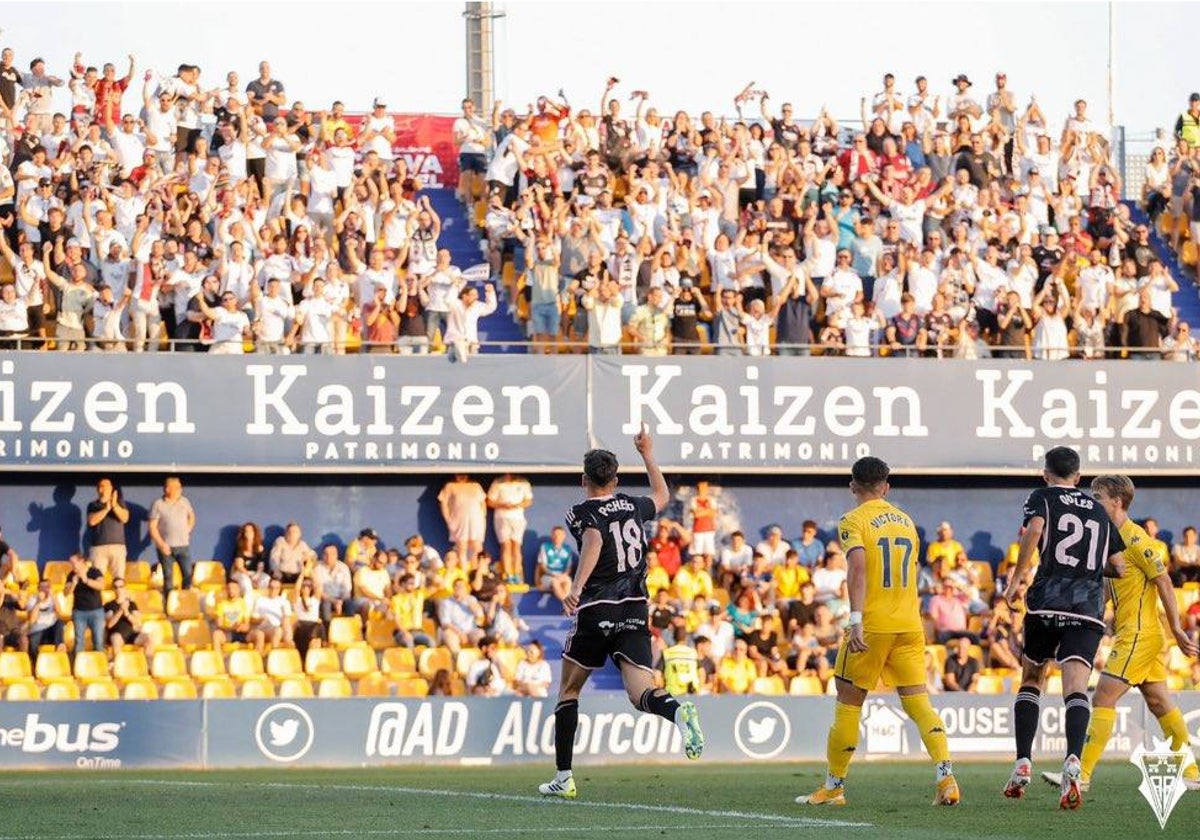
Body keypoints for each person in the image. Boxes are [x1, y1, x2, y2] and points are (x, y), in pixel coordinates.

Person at [539, 428, 704, 800]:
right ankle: (677, 713)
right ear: (615, 479)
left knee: (568, 690)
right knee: (640, 693)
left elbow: (595, 541)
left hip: (598, 608)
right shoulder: (631, 504)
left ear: (584, 480)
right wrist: (647, 453)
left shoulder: (580, 511)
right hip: (634, 608)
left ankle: (564, 777)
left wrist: (577, 588)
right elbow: (662, 496)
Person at [797, 456, 959, 808]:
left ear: (853, 485)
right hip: (908, 625)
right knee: (919, 703)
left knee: (848, 702)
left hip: (871, 626)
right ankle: (945, 776)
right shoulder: (907, 523)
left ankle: (834, 787)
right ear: (886, 486)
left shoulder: (853, 521)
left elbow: (857, 569)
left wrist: (855, 618)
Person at [1040, 475, 1200, 793]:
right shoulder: (1109, 538)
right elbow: (1113, 589)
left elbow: (1164, 582)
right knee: (1158, 702)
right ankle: (1193, 772)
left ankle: (1081, 775)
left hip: (1140, 634)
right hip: (1136, 633)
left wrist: (1178, 627)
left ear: (1117, 501)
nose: (1092, 501)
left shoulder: (1137, 539)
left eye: (1098, 497)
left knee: (1102, 697)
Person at [1001, 447, 1127, 808]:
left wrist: (1015, 581)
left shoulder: (1042, 496)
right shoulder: (1099, 512)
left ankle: (1023, 760)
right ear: (1079, 476)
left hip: (1046, 601)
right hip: (1087, 608)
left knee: (1032, 678)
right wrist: (1085, 570)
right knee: (1075, 688)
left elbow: (1035, 531)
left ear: (1045, 473)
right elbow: (1118, 567)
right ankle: (1073, 759)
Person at [148, 476, 195, 605]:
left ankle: (185, 602)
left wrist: (188, 530)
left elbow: (192, 517)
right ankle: (170, 605)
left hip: (183, 546)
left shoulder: (184, 501)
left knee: (188, 574)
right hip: (166, 548)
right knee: (168, 577)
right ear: (168, 489)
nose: (181, 489)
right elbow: (152, 526)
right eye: (178, 487)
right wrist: (161, 544)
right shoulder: (158, 504)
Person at [487, 474, 533, 585]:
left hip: (517, 519)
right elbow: (489, 501)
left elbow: (528, 501)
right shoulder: (497, 482)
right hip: (502, 519)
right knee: (506, 546)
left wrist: (516, 505)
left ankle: (517, 575)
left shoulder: (523, 482)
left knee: (516, 546)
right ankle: (508, 576)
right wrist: (502, 505)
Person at [86, 478, 130, 579]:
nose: (103, 489)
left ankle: (121, 595)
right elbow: (92, 521)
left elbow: (125, 518)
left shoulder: (119, 503)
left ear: (111, 488)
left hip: (117, 547)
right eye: (100, 486)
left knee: (118, 580)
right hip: (98, 548)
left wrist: (114, 506)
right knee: (97, 579)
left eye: (105, 486)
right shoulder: (93, 505)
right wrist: (106, 509)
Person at [439, 475, 487, 567]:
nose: (461, 477)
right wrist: (448, 520)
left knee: (477, 548)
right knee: (462, 548)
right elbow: (444, 503)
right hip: (459, 521)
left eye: (464, 475)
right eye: (459, 475)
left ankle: (476, 572)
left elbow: (483, 503)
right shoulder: (450, 486)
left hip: (476, 521)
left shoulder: (476, 485)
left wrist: (482, 517)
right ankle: (464, 576)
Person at [65, 553, 104, 655]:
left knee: (98, 641)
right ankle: (78, 667)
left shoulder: (95, 572)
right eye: (71, 563)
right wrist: (74, 583)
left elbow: (101, 585)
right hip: (79, 612)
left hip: (96, 612)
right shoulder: (71, 575)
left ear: (81, 561)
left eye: (73, 562)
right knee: (79, 642)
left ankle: (99, 666)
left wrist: (86, 580)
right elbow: (66, 593)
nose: (72, 565)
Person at [103, 577, 151, 657]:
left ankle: (149, 665)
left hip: (130, 634)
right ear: (113, 589)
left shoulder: (132, 604)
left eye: (121, 586)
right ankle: (118, 666)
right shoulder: (109, 605)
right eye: (115, 587)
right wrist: (120, 610)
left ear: (125, 588)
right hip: (117, 634)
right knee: (116, 638)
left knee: (148, 638)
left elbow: (138, 623)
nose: (118, 589)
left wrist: (127, 613)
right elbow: (109, 624)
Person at [535, 526, 575, 602]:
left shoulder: (567, 549)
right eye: (555, 534)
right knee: (555, 582)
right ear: (552, 535)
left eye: (559, 534)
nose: (557, 537)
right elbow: (542, 566)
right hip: (548, 576)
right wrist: (554, 575)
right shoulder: (545, 547)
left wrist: (563, 575)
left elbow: (569, 567)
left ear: (564, 536)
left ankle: (567, 606)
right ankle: (566, 604)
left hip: (562, 576)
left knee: (568, 581)